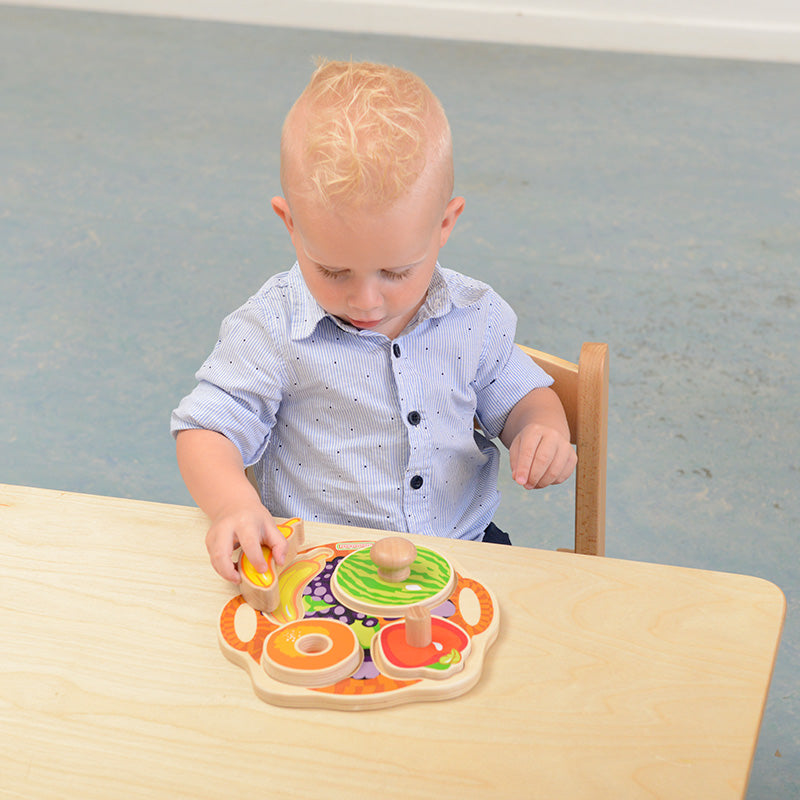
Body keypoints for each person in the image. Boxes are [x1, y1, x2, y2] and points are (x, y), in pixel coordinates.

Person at [171, 59, 576, 584]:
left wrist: (540, 428)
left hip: (464, 551)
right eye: (334, 270)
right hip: (315, 564)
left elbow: (522, 395)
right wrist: (232, 505)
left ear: (445, 224)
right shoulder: (271, 330)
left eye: (396, 271)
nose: (366, 301)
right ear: (290, 224)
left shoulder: (474, 318)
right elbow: (207, 429)